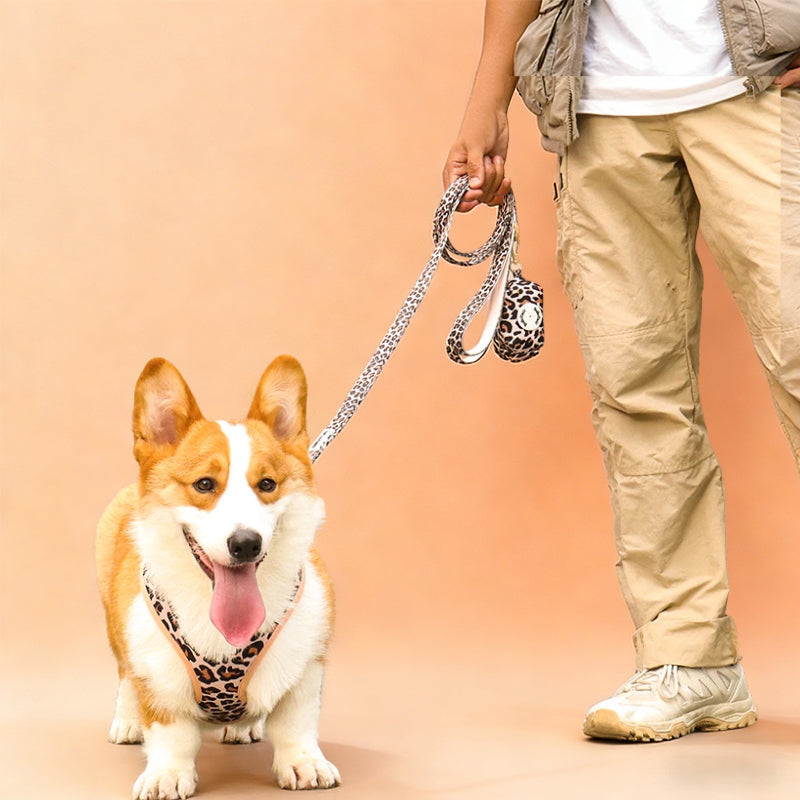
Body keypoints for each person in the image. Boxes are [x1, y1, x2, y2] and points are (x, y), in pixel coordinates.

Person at [444, 0, 800, 742]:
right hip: (601, 102)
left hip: (758, 84)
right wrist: (489, 97)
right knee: (636, 387)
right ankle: (687, 656)